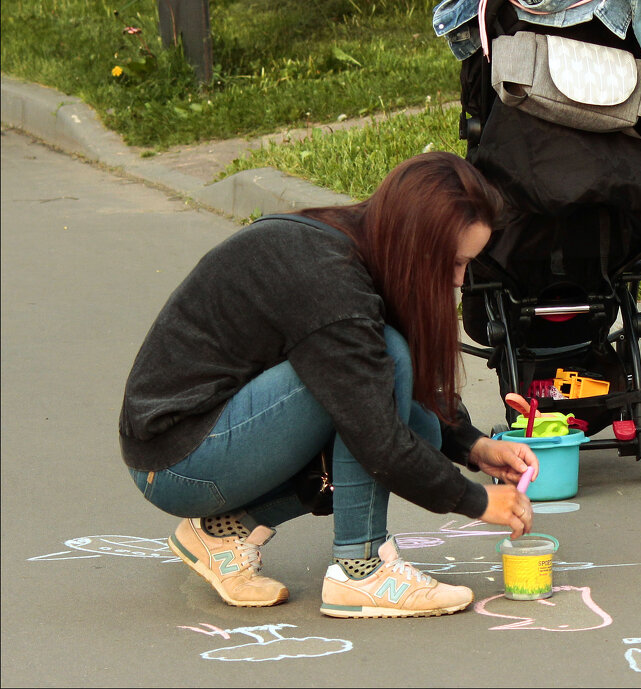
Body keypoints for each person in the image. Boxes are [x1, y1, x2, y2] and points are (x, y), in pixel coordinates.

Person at [119, 151, 539, 618]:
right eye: (454, 262)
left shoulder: (361, 239)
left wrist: (475, 446)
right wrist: (478, 500)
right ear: (415, 244)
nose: (459, 281)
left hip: (200, 438)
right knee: (381, 373)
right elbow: (379, 441)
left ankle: (223, 531)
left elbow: (407, 403)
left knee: (386, 380)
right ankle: (362, 571)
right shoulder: (329, 280)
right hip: (179, 459)